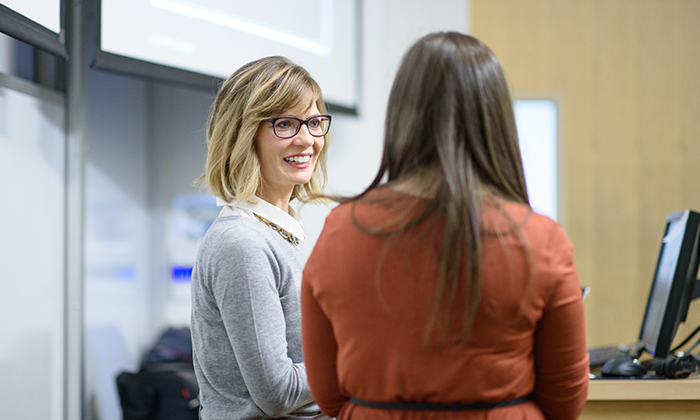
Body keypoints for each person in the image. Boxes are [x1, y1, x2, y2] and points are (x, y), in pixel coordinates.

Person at [301, 32, 589, 420]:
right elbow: (564, 401)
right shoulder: (541, 240)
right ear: (496, 119)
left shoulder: (340, 231)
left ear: (402, 115)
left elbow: (329, 396)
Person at [190, 56, 332, 420]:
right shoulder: (242, 244)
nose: (307, 139)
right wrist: (363, 355)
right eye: (285, 124)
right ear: (244, 133)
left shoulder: (284, 228)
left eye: (314, 122)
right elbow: (279, 392)